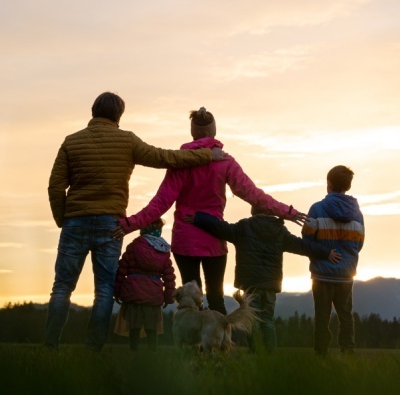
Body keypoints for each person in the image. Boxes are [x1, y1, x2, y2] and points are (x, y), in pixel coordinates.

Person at [45, 92, 227, 352]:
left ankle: (51, 345)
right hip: (111, 224)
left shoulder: (71, 142)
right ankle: (93, 348)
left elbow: (55, 186)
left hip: (75, 221)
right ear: (119, 115)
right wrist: (208, 156)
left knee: (62, 286)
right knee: (105, 289)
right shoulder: (127, 141)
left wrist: (62, 218)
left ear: (94, 111)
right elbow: (166, 157)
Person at [113, 107, 306, 315]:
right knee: (215, 297)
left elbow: (159, 204)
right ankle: (221, 345)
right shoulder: (225, 162)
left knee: (191, 299)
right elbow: (253, 195)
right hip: (214, 238)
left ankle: (193, 346)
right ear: (213, 131)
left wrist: (129, 224)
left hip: (185, 240)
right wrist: (288, 212)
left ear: (193, 132)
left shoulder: (182, 161)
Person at [184, 207, 341, 353]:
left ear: (254, 211)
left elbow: (219, 227)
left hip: (251, 283)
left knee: (254, 321)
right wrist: (326, 252)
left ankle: (256, 353)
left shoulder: (244, 227)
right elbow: (303, 246)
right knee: (268, 321)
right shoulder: (280, 230)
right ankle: (269, 356)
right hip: (270, 285)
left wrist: (199, 218)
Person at [301, 165, 364, 357]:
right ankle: (348, 351)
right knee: (346, 315)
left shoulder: (317, 209)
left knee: (322, 316)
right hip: (345, 274)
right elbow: (359, 243)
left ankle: (321, 353)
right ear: (348, 186)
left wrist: (324, 254)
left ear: (328, 184)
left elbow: (307, 241)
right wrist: (346, 260)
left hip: (321, 274)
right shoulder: (357, 214)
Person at [113, 218, 176, 352]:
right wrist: (168, 297)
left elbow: (121, 270)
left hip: (133, 293)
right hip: (153, 295)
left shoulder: (133, 246)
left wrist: (117, 291)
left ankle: (133, 351)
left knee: (134, 327)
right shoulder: (163, 250)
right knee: (152, 328)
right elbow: (169, 277)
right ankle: (152, 353)